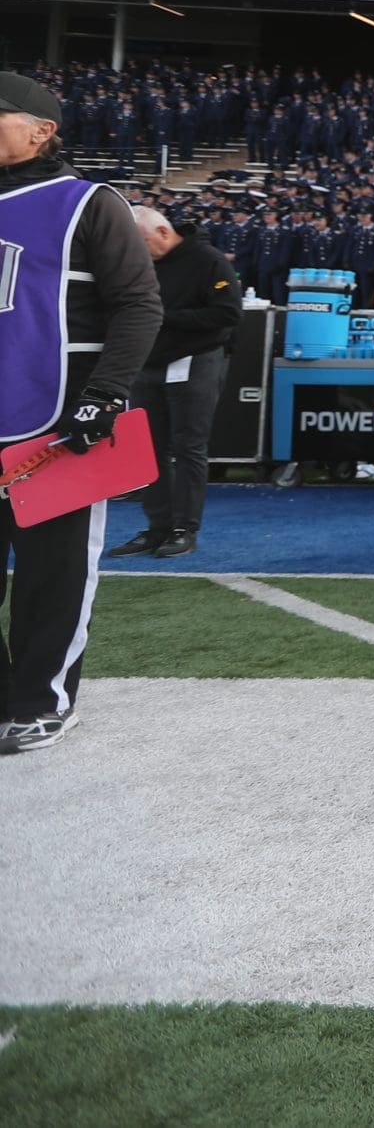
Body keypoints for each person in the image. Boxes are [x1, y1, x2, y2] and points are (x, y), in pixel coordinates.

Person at [0, 72, 161, 754]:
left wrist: (105, 393)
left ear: (42, 130)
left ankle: (43, 701)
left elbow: (138, 303)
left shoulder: (88, 202)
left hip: (56, 424)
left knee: (52, 574)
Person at [111, 205, 242, 561]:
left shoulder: (208, 260)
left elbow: (229, 313)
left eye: (140, 241)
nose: (136, 250)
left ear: (163, 233)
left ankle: (184, 527)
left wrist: (164, 319)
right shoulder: (142, 261)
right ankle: (158, 527)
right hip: (148, 363)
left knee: (188, 447)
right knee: (146, 448)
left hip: (194, 360)